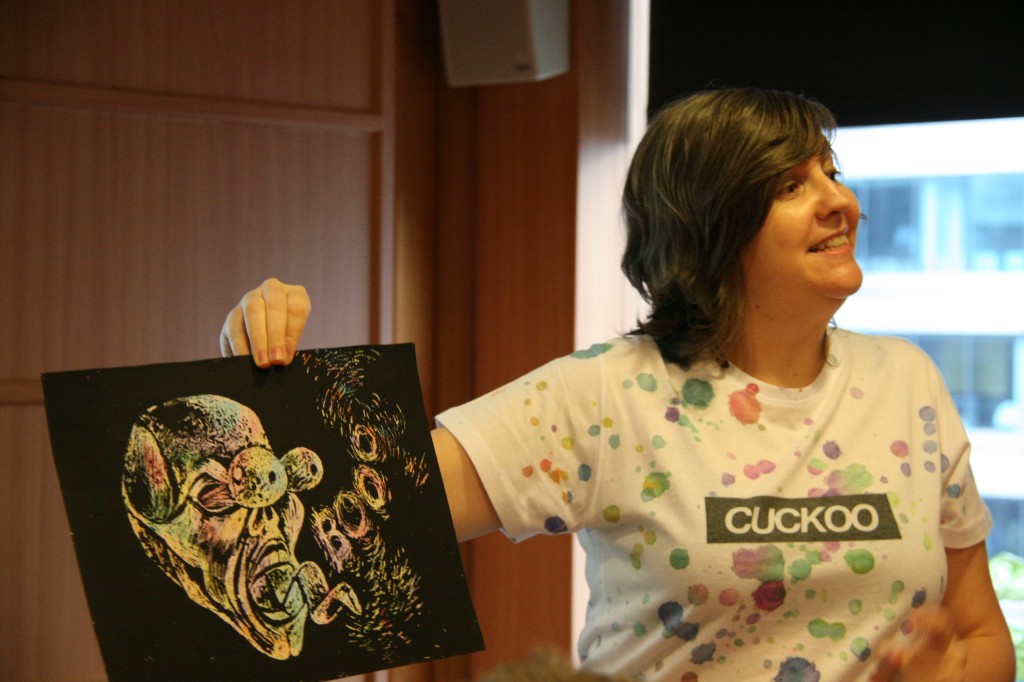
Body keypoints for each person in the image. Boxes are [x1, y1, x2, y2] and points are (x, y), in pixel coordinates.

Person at [219, 88, 1015, 681]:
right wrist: (254, 382)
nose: (842, 202)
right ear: (710, 226)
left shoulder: (908, 381)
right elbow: (342, 519)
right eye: (791, 185)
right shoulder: (607, 395)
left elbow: (986, 641)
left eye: (832, 174)